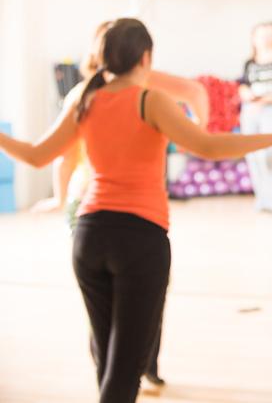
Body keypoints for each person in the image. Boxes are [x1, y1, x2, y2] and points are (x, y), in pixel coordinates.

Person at [0, 19, 272, 403]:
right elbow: (210, 147)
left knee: (107, 363)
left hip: (89, 238)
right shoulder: (148, 99)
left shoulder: (84, 99)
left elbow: (38, 156)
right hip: (139, 240)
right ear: (146, 57)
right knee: (123, 375)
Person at [29, 20, 210, 391]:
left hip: (97, 212)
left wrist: (196, 136)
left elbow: (57, 155)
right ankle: (131, 368)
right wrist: (199, 137)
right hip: (102, 209)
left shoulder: (100, 89)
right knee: (128, 302)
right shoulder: (99, 90)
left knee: (114, 306)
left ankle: (133, 368)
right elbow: (63, 156)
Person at [239, 22, 272, 213]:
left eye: (271, 34)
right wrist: (247, 96)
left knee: (267, 156)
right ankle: (262, 200)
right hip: (250, 111)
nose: (266, 39)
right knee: (252, 156)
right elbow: (243, 84)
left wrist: (262, 102)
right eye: (261, 35)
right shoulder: (250, 62)